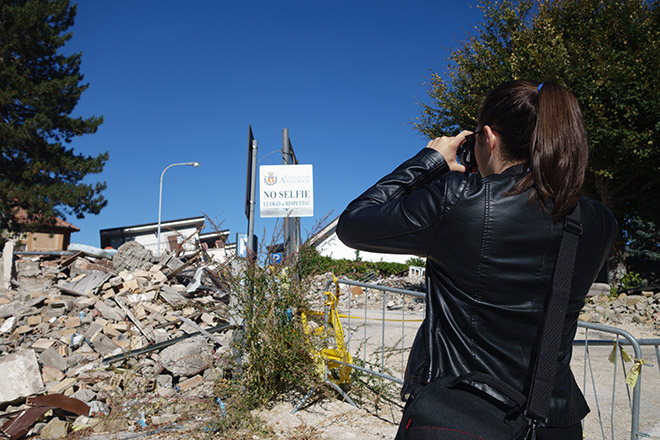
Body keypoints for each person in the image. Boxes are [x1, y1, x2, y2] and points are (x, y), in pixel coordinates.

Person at [336, 80, 618, 439]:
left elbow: (354, 223)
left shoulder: (459, 201)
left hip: (461, 417)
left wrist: (430, 160)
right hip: (555, 422)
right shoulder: (598, 221)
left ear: (488, 138)